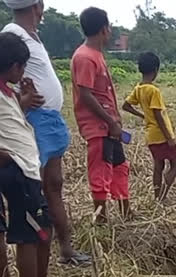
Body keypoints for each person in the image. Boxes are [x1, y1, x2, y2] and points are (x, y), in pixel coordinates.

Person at [2, 0, 91, 266]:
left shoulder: (33, 36)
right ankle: (40, 268)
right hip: (36, 121)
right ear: (37, 6)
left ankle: (65, 250)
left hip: (49, 121)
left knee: (53, 185)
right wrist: (22, 101)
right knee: (36, 194)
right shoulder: (13, 34)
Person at [0, 31, 54, 277]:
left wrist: (23, 98)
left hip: (24, 169)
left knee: (42, 228)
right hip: (19, 170)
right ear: (14, 67)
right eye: (21, 66)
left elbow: (10, 120)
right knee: (29, 235)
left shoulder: (6, 91)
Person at [71, 7, 130, 222]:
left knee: (120, 167)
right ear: (104, 29)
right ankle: (101, 219)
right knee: (100, 171)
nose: (111, 30)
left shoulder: (95, 55)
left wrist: (114, 120)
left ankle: (126, 212)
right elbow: (85, 94)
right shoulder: (85, 57)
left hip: (109, 126)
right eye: (110, 26)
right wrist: (109, 120)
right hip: (99, 127)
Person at [122, 52, 176, 202]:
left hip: (150, 135)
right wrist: (169, 138)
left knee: (158, 165)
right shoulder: (154, 90)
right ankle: (163, 195)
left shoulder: (139, 88)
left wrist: (143, 115)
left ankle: (157, 196)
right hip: (161, 134)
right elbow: (158, 115)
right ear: (156, 70)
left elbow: (126, 106)